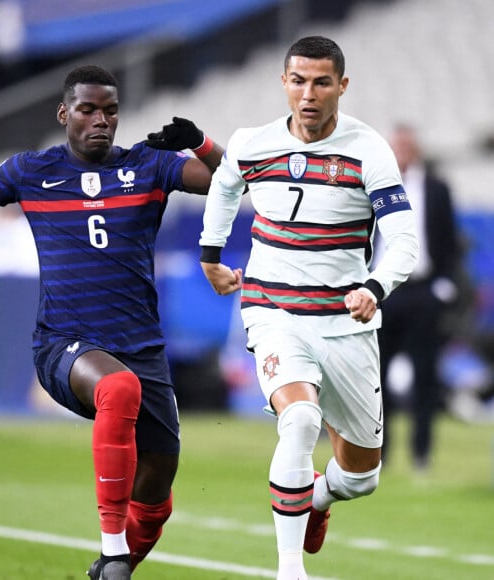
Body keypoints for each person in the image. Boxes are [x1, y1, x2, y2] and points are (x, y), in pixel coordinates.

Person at [0, 65, 224, 580]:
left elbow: (232, 180)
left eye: (110, 110)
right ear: (64, 114)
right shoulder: (30, 171)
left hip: (141, 346)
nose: (101, 119)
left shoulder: (149, 165)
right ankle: (113, 551)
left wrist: (203, 143)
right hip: (64, 344)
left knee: (156, 494)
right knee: (117, 389)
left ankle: (108, 570)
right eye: (88, 109)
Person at [198, 36, 418, 580]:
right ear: (283, 82)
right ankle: (289, 569)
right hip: (273, 311)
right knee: (298, 419)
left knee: (362, 476)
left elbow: (404, 238)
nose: (309, 94)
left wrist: (376, 284)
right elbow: (226, 183)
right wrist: (210, 253)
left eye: (322, 82)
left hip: (345, 324)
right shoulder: (254, 142)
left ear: (342, 85)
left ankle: (316, 498)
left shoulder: (368, 150)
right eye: (298, 81)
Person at [374, 124, 461, 470]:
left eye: (408, 147)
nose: (402, 154)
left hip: (422, 291)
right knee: (374, 378)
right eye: (397, 147)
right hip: (382, 292)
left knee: (425, 375)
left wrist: (444, 285)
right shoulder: (376, 186)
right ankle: (378, 453)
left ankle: (421, 454)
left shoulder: (436, 189)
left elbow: (449, 240)